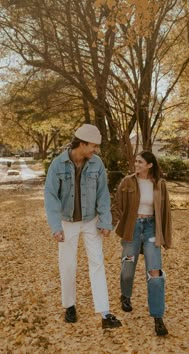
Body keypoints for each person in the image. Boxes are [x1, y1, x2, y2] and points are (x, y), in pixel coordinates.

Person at [44, 124, 122, 329]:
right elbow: (51, 197)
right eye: (93, 146)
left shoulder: (97, 164)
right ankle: (69, 305)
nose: (95, 150)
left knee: (97, 263)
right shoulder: (57, 164)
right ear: (81, 143)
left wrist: (105, 221)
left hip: (91, 221)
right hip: (66, 222)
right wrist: (55, 227)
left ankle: (105, 313)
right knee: (68, 264)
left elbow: (103, 194)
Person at [112, 150, 172, 336]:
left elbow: (166, 212)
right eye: (136, 161)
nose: (136, 164)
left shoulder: (160, 185)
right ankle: (125, 295)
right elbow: (117, 206)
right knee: (128, 266)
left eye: (140, 162)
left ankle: (157, 317)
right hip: (132, 229)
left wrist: (166, 238)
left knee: (155, 273)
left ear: (150, 165)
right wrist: (108, 225)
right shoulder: (127, 182)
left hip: (151, 230)